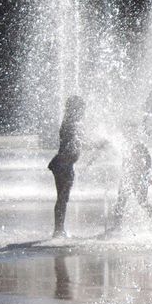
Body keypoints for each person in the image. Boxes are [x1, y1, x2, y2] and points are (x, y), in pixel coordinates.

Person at [48, 96, 85, 238]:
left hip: (64, 164)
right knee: (62, 198)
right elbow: (74, 143)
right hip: (63, 164)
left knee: (63, 198)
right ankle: (58, 230)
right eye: (81, 108)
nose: (83, 112)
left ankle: (59, 229)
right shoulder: (71, 123)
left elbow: (77, 143)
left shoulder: (70, 122)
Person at [109, 139, 152, 235]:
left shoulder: (140, 146)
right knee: (121, 202)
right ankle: (116, 226)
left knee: (142, 201)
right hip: (128, 177)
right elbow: (124, 164)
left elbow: (148, 162)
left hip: (138, 177)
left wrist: (147, 175)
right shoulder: (127, 146)